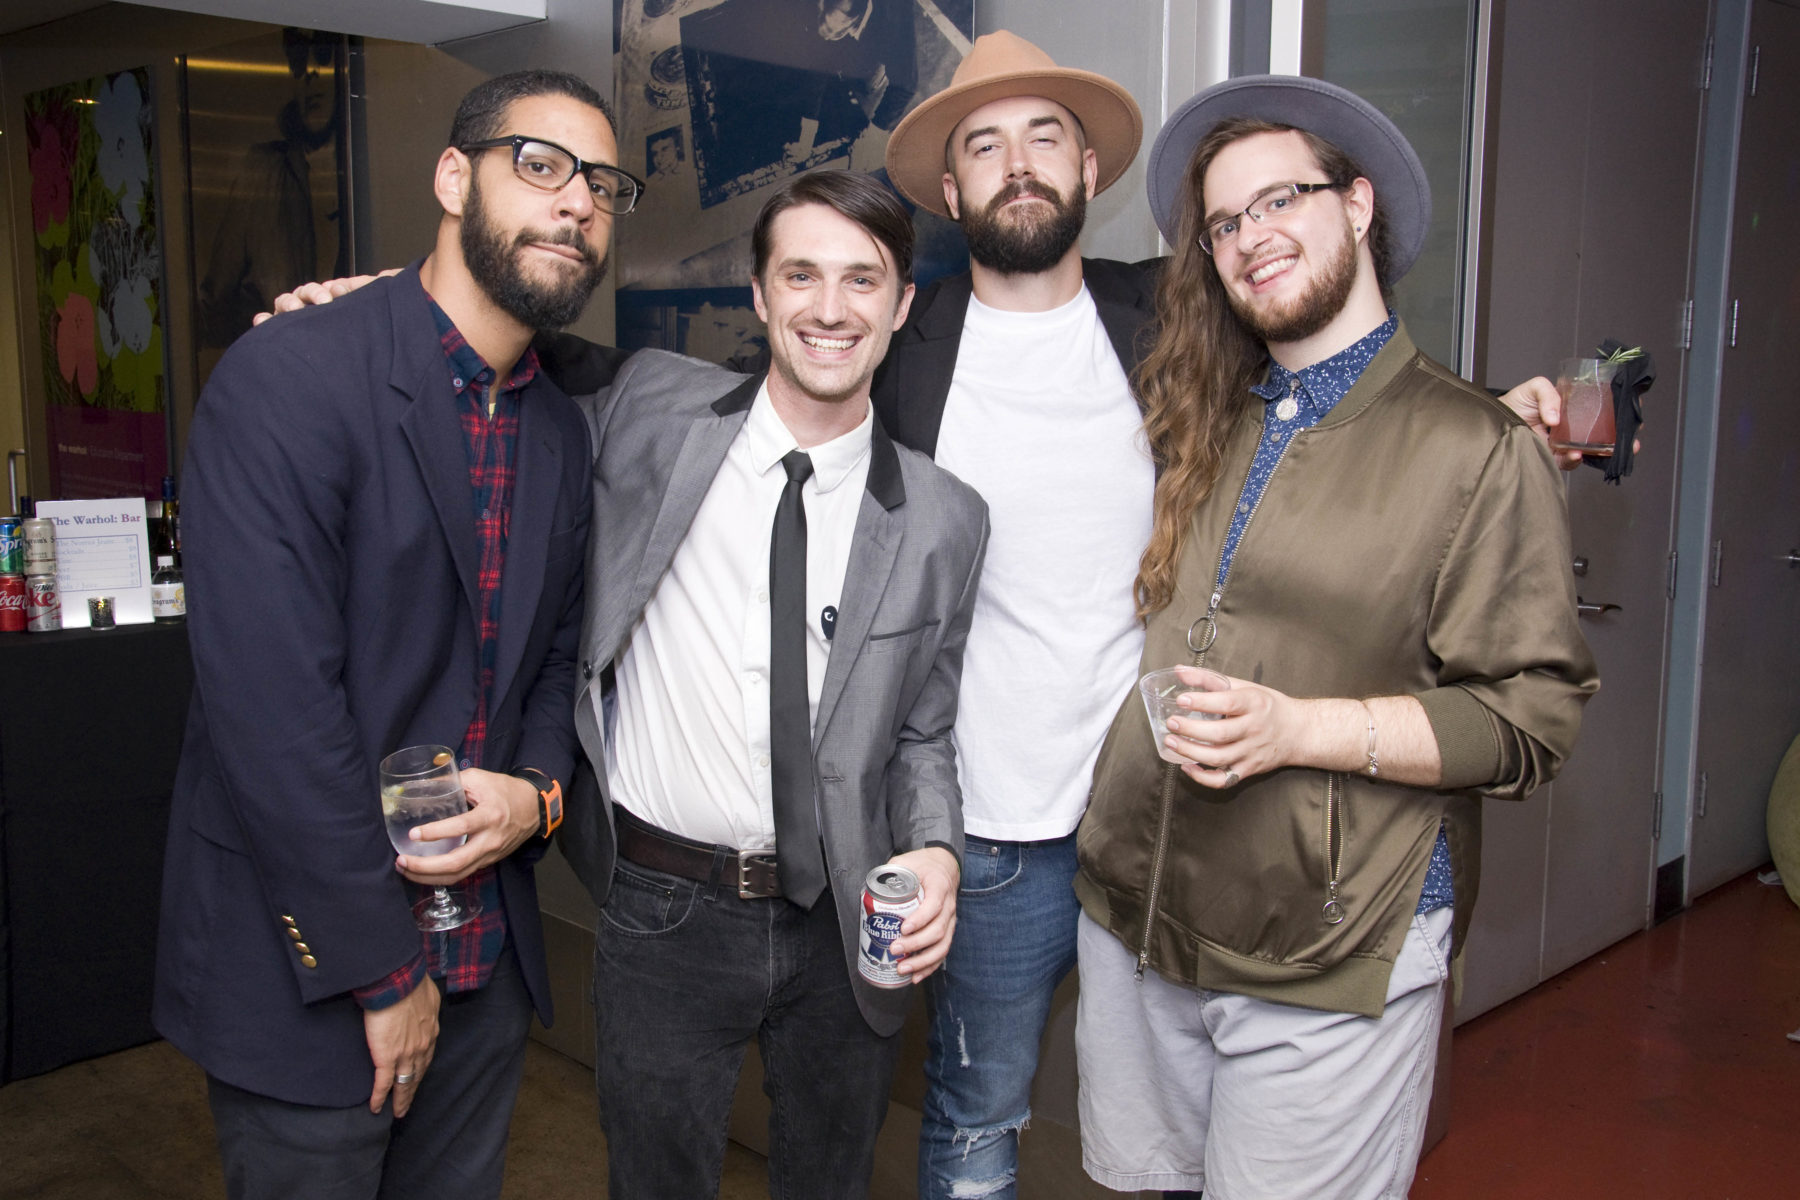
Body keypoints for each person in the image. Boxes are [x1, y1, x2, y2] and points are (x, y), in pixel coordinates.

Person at [255, 36, 1584, 1200]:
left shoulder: (1166, 320)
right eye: (984, 145)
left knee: (1178, 1148)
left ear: (1087, 171)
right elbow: (623, 374)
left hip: (1156, 822)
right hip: (979, 839)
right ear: (947, 199)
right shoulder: (901, 337)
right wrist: (387, 305)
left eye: (1045, 138)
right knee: (978, 1116)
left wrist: (1487, 419)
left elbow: (1333, 368)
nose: (1016, 165)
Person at [1071, 75, 1601, 1199]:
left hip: (1330, 944)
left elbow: (1530, 721)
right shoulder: (1201, 415)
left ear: (1357, 206)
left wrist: (1295, 729)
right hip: (1139, 915)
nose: (1252, 236)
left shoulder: (1476, 448)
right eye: (1224, 222)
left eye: (1282, 201)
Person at [153, 69, 631, 1198]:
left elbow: (558, 658)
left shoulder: (561, 428)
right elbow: (272, 716)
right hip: (309, 967)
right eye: (542, 165)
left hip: (485, 968)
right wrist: (381, 974)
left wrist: (538, 792)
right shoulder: (290, 377)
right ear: (452, 177)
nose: (577, 204)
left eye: (604, 186)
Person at [555, 168, 988, 1199]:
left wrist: (937, 852)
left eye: (861, 280)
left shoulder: (944, 519)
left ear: (901, 304)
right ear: (759, 294)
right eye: (801, 275)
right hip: (662, 909)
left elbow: (924, 732)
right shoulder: (646, 414)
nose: (829, 309)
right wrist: (364, 309)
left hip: (846, 926)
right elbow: (493, 340)